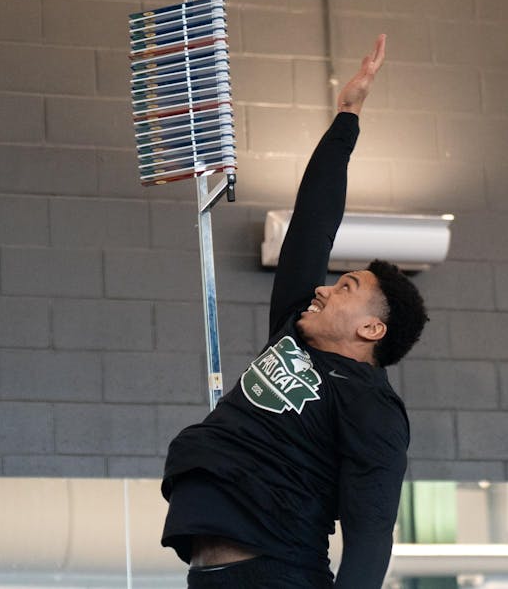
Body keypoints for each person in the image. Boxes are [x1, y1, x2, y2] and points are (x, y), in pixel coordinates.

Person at [160, 34, 428, 589]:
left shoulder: (373, 409)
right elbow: (312, 225)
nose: (325, 289)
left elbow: (371, 534)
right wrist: (347, 117)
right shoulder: (293, 331)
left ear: (371, 328)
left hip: (280, 577)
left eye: (346, 287)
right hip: (211, 577)